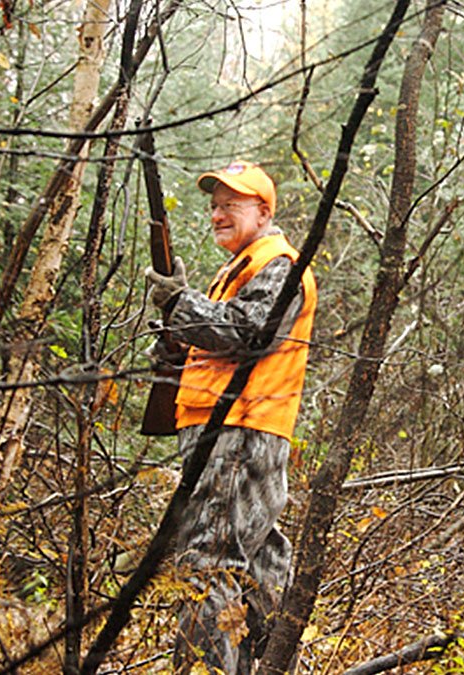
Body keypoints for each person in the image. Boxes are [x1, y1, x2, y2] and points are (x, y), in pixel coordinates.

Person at [145, 160, 316, 673]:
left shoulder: (279, 265)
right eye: (214, 206)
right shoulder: (239, 269)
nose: (218, 215)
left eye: (231, 206)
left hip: (239, 434)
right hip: (232, 431)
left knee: (208, 566)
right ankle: (266, 665)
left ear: (264, 211)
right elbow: (210, 349)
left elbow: (248, 334)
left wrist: (182, 304)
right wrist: (175, 336)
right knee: (258, 564)